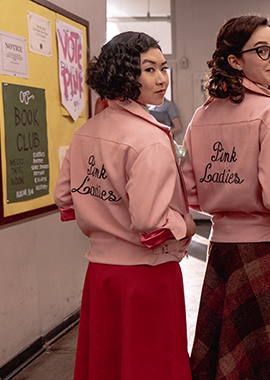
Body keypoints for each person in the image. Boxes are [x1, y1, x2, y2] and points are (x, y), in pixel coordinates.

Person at [180, 15, 270, 380]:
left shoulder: (201, 116)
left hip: (222, 248)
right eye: (262, 50)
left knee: (226, 356)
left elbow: (192, 192)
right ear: (235, 61)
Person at [54, 31, 196, 380]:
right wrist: (186, 226)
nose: (162, 78)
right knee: (152, 367)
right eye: (149, 69)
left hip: (101, 273)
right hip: (147, 276)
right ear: (124, 73)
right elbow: (151, 222)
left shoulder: (86, 131)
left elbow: (63, 197)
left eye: (163, 68)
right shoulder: (150, 138)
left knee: (106, 365)